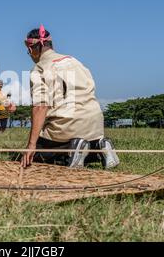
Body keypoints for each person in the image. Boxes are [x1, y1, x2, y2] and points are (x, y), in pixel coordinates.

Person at [20, 25, 119, 169]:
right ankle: (98, 146)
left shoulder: (39, 69)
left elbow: (41, 106)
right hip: (95, 127)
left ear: (30, 49)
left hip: (67, 127)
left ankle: (72, 148)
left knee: (38, 154)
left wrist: (31, 144)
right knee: (83, 140)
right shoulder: (74, 61)